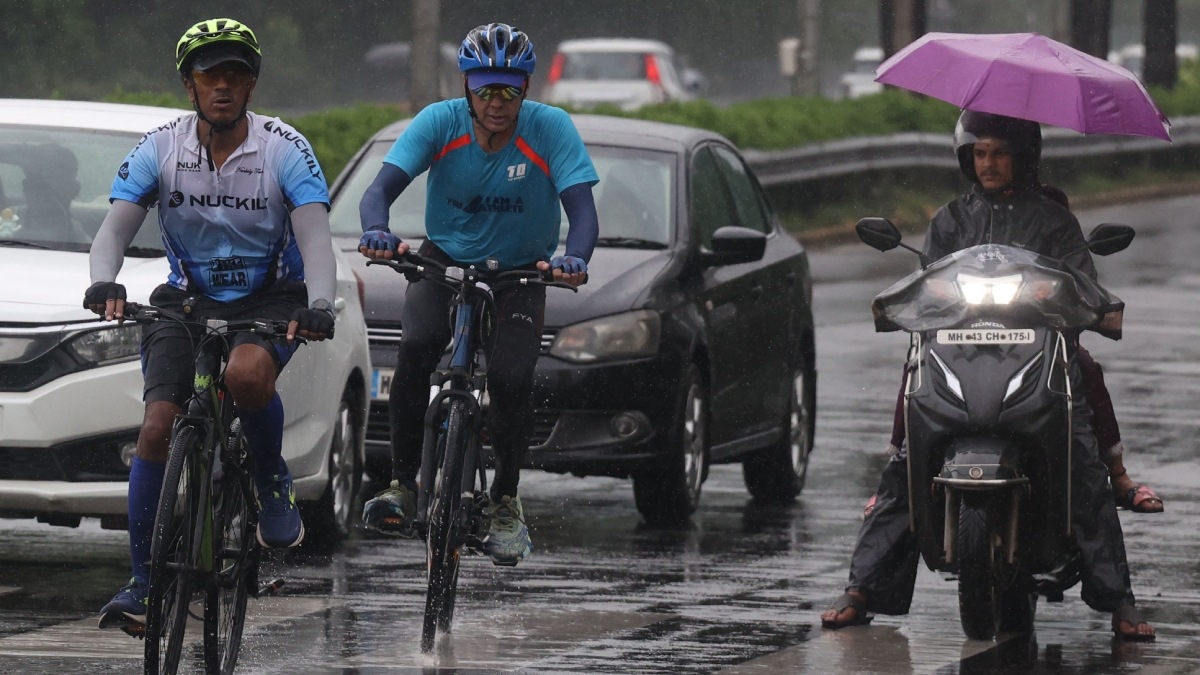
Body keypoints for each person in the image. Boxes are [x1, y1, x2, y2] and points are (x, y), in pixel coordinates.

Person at [820, 111, 1155, 641]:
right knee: (907, 460)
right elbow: (928, 282)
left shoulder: (1054, 220)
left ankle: (1119, 599)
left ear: (1022, 157)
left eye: (999, 152)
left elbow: (1081, 282)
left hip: (1035, 354)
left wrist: (1060, 296)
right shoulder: (950, 220)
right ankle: (862, 586)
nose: (989, 163)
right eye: (980, 153)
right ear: (966, 158)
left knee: (1081, 462)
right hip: (960, 353)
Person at [87, 17, 337, 630]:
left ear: (251, 86)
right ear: (189, 84)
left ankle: (272, 480)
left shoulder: (285, 147)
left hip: (270, 296)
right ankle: (144, 586)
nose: (222, 87)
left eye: (236, 75)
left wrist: (321, 306)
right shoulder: (161, 146)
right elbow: (114, 229)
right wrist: (103, 281)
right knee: (157, 425)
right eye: (209, 75)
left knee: (249, 375)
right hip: (188, 299)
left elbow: (317, 240)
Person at [357, 22, 598, 567]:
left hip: (522, 271)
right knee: (416, 348)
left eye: (509, 90)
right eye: (485, 88)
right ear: (465, 85)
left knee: (513, 379)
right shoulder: (439, 122)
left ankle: (506, 501)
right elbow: (379, 191)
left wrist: (574, 259)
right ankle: (401, 482)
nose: (496, 102)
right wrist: (377, 230)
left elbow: (582, 213)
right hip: (444, 259)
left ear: (527, 89)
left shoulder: (550, 129)